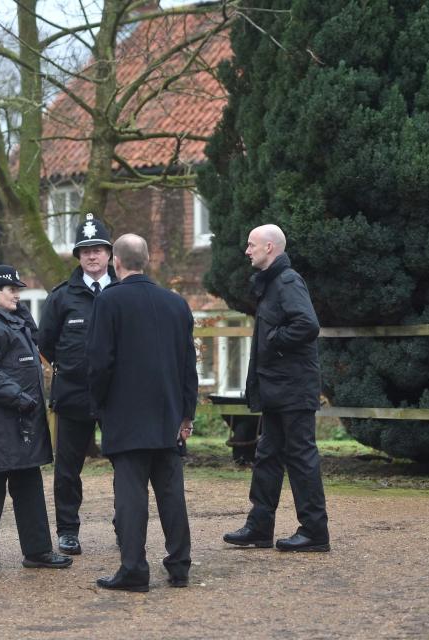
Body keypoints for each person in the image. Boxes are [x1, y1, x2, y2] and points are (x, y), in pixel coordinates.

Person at [86, 234, 196, 592]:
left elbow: (100, 362)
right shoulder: (176, 304)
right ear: (146, 260)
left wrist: (98, 404)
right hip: (167, 412)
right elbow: (187, 366)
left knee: (130, 495)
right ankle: (179, 566)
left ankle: (134, 569)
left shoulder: (109, 301)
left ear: (116, 262)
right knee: (171, 493)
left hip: (125, 413)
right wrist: (187, 413)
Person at [0, 265, 73, 577]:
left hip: (22, 418)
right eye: (12, 290)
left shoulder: (15, 321)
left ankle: (37, 551)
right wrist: (19, 397)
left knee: (28, 482)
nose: (17, 295)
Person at [222, 224, 330, 552]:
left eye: (252, 244)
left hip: (293, 389)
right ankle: (259, 526)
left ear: (270, 248)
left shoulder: (287, 281)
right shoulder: (271, 284)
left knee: (300, 456)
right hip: (277, 390)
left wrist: (274, 341)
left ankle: (314, 532)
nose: (246, 250)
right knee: (267, 455)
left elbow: (307, 324)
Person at [38, 213, 117, 556]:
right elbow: (46, 343)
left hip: (118, 396)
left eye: (98, 249)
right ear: (78, 256)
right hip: (73, 395)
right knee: (68, 469)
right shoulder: (61, 298)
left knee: (126, 466)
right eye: (85, 251)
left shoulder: (123, 290)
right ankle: (67, 530)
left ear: (110, 253)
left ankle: (125, 527)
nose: (92, 256)